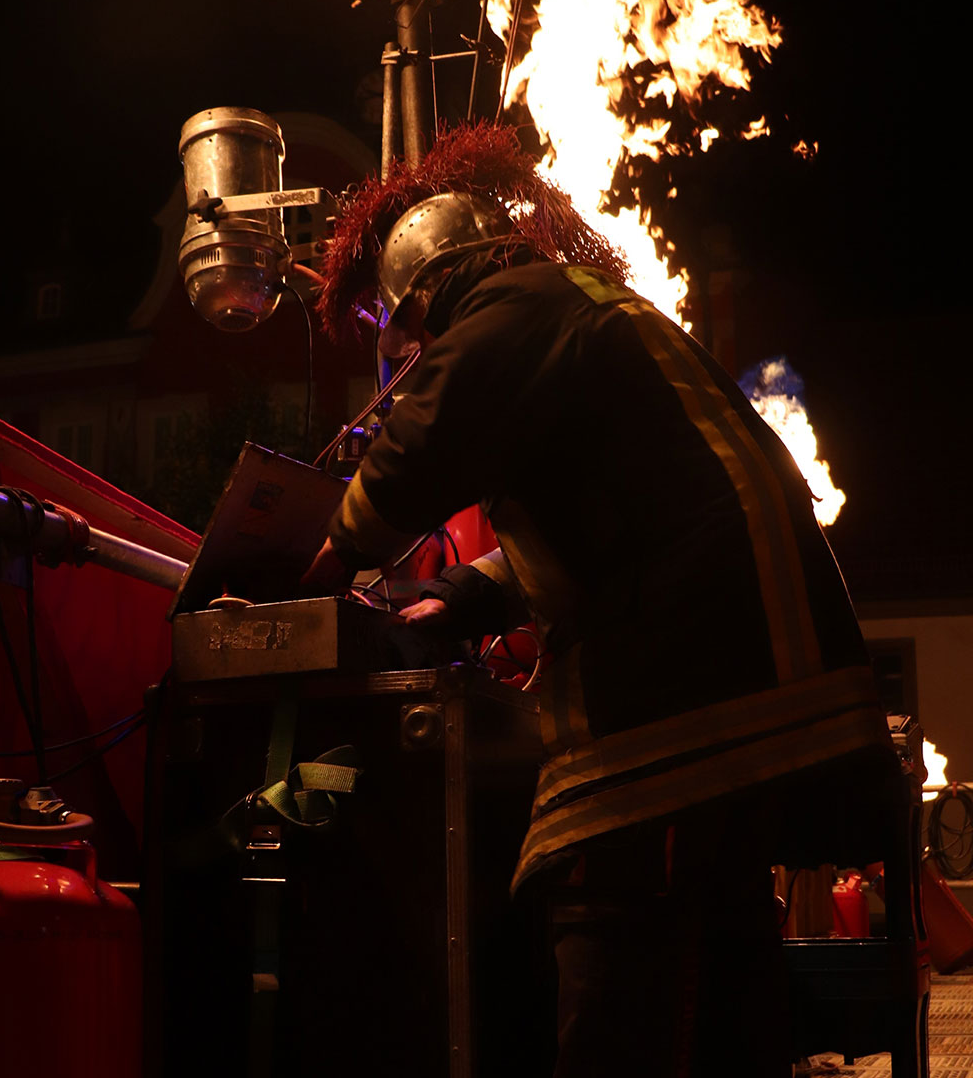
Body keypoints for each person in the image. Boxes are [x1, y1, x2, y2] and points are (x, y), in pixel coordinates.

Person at [304, 129, 897, 1076]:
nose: (415, 351)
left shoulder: (509, 313)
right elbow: (603, 525)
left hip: (694, 673)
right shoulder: (582, 310)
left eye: (411, 331)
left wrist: (325, 560)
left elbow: (420, 437)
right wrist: (456, 602)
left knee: (607, 893)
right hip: (763, 653)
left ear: (429, 296)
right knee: (720, 931)